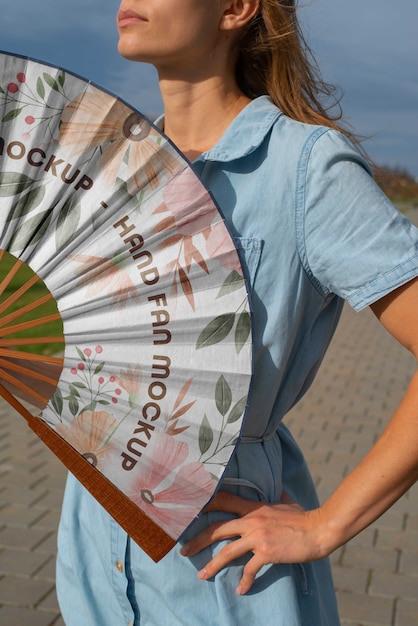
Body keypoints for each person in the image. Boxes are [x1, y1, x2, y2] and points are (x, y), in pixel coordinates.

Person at [56, 1, 418, 624]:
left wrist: (328, 523)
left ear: (235, 8)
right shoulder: (115, 167)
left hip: (220, 574)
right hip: (92, 557)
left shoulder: (304, 171)